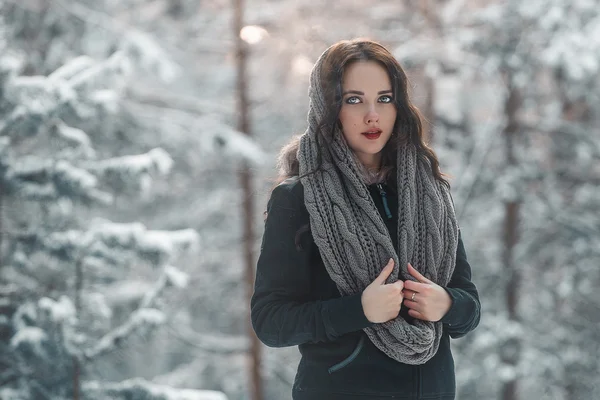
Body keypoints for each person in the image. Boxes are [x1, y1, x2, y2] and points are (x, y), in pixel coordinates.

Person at [251, 38, 481, 400]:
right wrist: (358, 310)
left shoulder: (430, 192)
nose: (372, 114)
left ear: (399, 106)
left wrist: (447, 305)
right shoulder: (297, 199)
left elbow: (469, 305)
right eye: (354, 99)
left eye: (384, 99)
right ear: (329, 107)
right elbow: (271, 322)